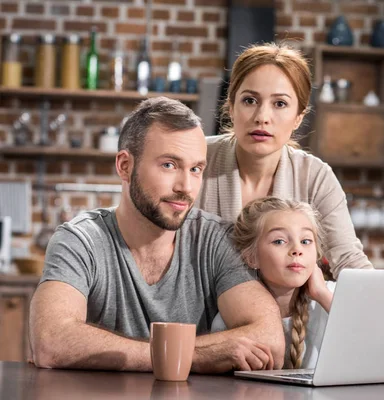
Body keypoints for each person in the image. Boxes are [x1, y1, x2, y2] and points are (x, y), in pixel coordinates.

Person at [29, 97, 285, 373]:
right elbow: (51, 342)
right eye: (169, 165)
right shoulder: (81, 241)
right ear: (125, 166)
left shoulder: (216, 240)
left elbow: (270, 341)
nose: (186, 187)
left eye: (196, 169)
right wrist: (195, 356)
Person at [211, 197, 384, 375]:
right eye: (279, 241)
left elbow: (381, 341)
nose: (297, 250)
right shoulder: (232, 312)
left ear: (317, 253)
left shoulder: (331, 297)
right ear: (251, 257)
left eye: (306, 241)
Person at [198, 42, 372, 279]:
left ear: (298, 117)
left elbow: (350, 262)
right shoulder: (196, 158)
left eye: (280, 104)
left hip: (287, 315)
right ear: (231, 106)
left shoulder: (314, 176)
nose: (262, 117)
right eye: (250, 100)